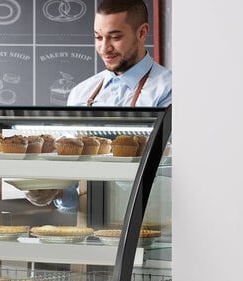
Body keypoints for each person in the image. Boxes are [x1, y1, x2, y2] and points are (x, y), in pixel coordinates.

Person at [26, 0, 172, 211]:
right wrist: (56, 192)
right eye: (98, 37)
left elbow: (170, 178)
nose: (105, 48)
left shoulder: (170, 90)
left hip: (151, 223)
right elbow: (78, 193)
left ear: (142, 33)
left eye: (115, 37)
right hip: (92, 228)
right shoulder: (80, 93)